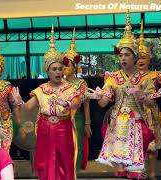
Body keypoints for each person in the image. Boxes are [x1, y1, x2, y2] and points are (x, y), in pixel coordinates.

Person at [87, 13, 159, 179]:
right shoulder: (113, 78)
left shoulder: (146, 78)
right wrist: (98, 96)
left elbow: (150, 104)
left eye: (127, 55)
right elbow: (104, 104)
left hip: (137, 123)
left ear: (135, 56)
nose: (123, 58)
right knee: (120, 169)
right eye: (120, 55)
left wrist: (142, 96)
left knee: (136, 168)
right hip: (118, 123)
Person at [12, 26, 81, 180]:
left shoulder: (69, 88)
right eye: (54, 69)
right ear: (48, 72)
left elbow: (77, 102)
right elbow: (27, 108)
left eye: (60, 69)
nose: (58, 72)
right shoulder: (41, 89)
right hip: (44, 128)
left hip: (63, 127)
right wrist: (19, 102)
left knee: (64, 160)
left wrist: (68, 104)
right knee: (45, 161)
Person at [136, 20, 161, 180]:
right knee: (138, 147)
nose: (140, 60)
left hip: (151, 115)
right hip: (135, 115)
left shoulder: (154, 75)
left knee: (152, 147)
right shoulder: (130, 76)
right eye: (137, 57)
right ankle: (139, 173)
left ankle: (151, 173)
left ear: (149, 58)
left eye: (143, 57)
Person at [62, 28, 91, 171]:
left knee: (77, 145)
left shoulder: (81, 84)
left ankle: (75, 172)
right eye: (63, 64)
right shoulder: (59, 83)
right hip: (61, 119)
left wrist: (87, 123)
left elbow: (86, 105)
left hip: (77, 118)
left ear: (75, 67)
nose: (64, 67)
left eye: (67, 64)